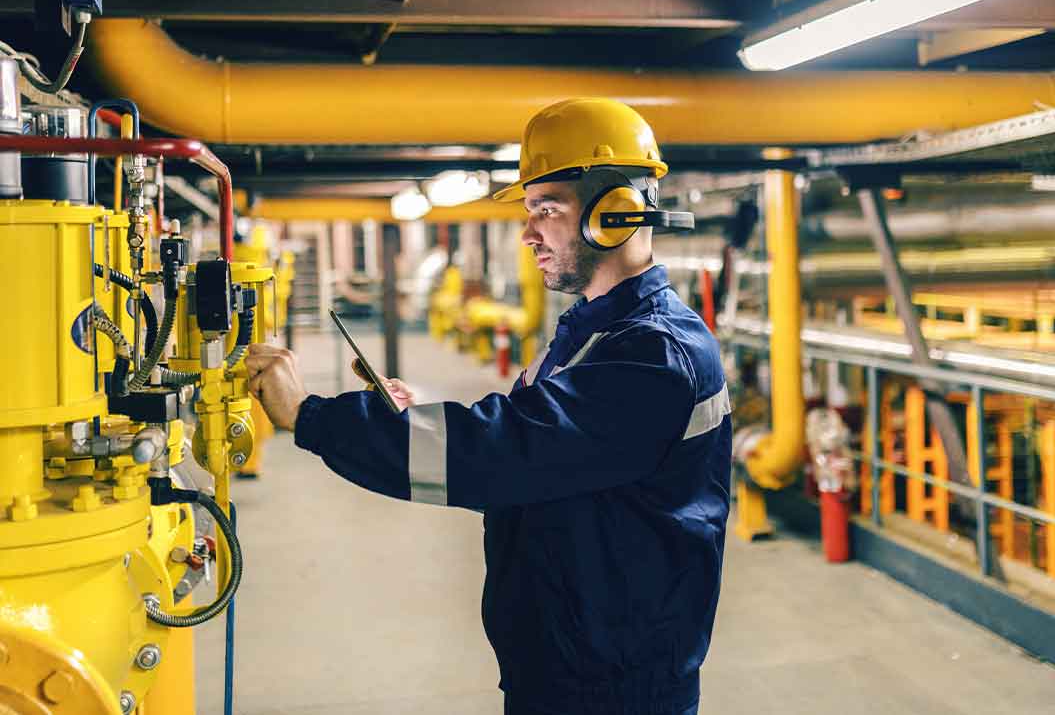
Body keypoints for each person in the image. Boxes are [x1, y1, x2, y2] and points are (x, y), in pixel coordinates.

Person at [246, 97, 731, 715]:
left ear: (614, 215)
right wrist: (414, 414)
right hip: (571, 654)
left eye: (545, 211)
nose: (527, 234)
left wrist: (310, 416)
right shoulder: (594, 329)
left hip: (613, 683)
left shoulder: (651, 355)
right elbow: (539, 438)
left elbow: (500, 454)